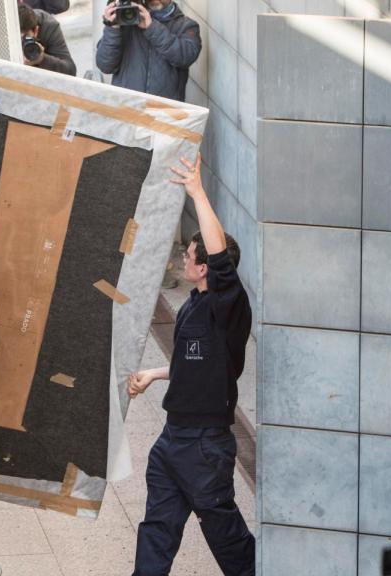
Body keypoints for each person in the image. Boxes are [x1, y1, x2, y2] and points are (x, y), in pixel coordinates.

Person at [126, 154, 255, 576]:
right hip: (173, 438)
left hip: (204, 445)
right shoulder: (192, 305)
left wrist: (197, 191)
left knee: (224, 533)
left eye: (189, 254)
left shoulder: (227, 305)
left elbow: (220, 261)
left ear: (205, 268)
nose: (183, 258)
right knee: (157, 527)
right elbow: (193, 363)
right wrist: (156, 374)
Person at [95, 0, 201, 101]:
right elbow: (105, 66)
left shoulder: (186, 26)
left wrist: (151, 27)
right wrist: (113, 29)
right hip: (126, 107)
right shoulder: (127, 18)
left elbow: (185, 57)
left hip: (165, 112)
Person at [19, 4, 77, 76]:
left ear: (36, 31)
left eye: (25, 37)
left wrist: (42, 59)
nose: (20, 43)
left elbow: (70, 71)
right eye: (18, 39)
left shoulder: (48, 26)